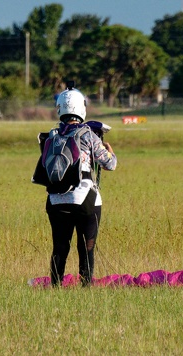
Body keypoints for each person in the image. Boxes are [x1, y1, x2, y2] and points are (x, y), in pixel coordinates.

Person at [40, 85, 117, 287]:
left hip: (55, 199)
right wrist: (111, 151)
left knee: (59, 247)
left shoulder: (51, 136)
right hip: (85, 199)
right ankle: (85, 287)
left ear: (60, 109)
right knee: (86, 248)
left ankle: (55, 286)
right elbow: (109, 164)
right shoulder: (88, 134)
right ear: (81, 108)